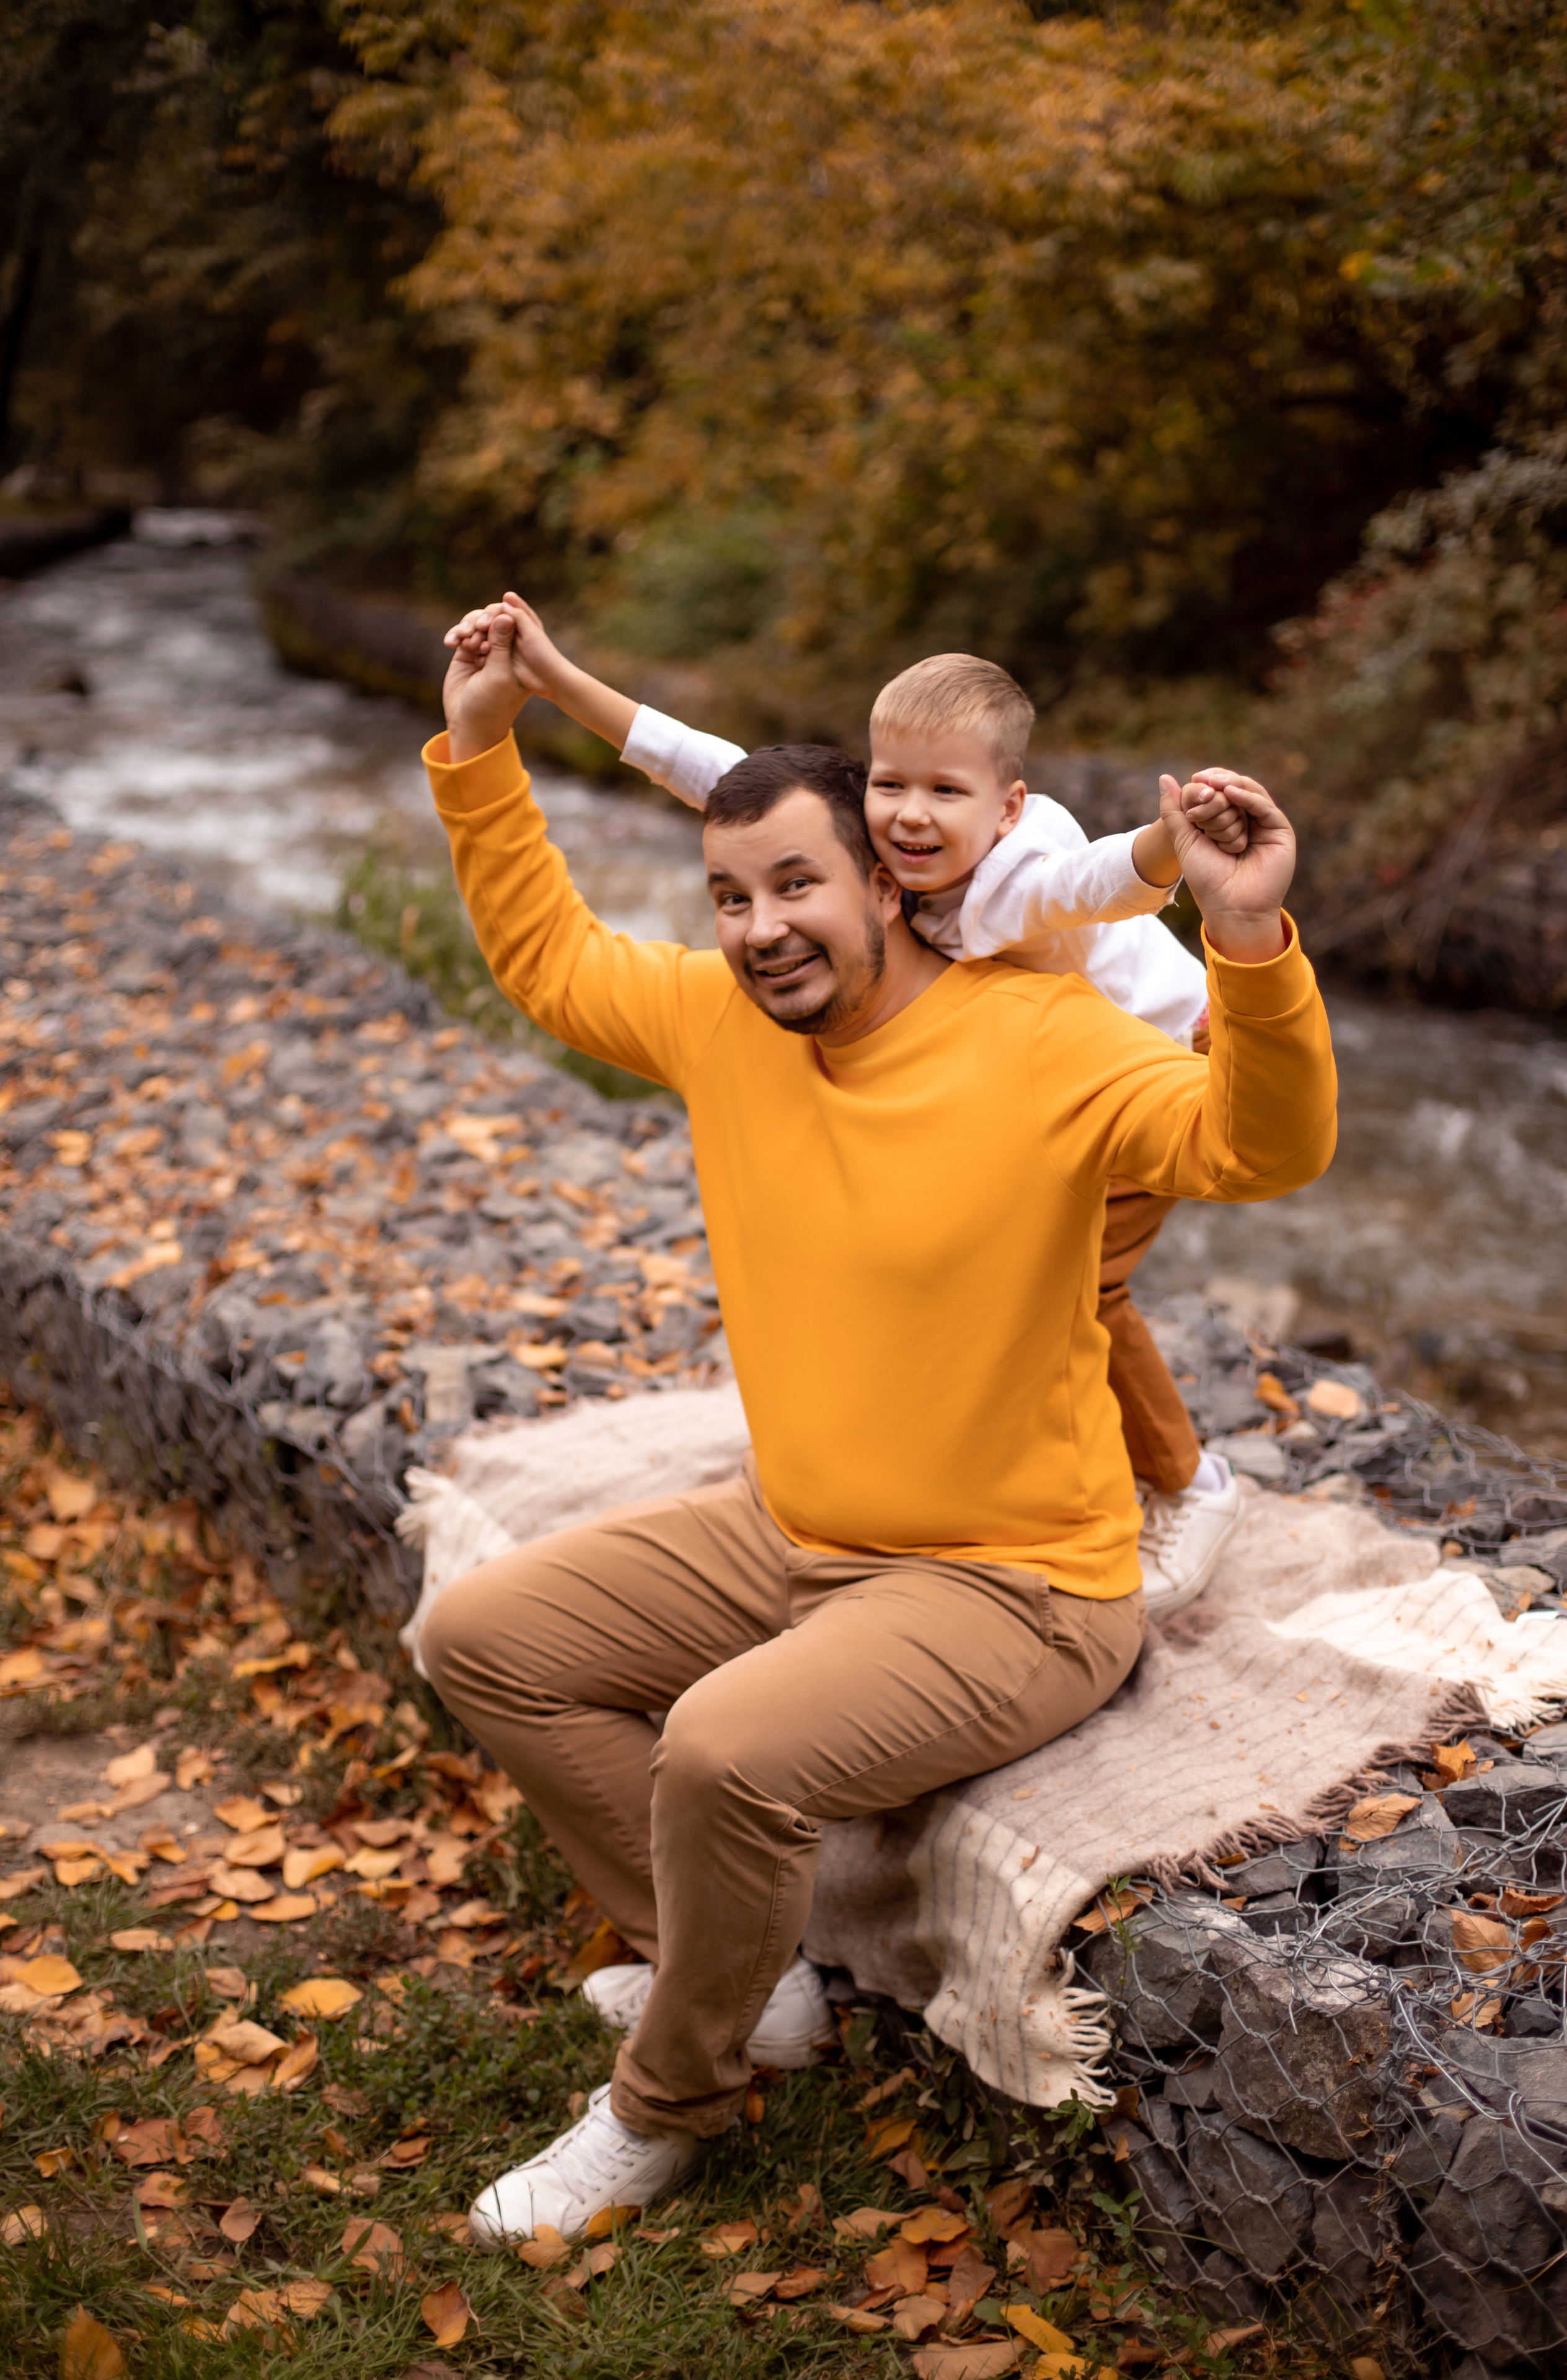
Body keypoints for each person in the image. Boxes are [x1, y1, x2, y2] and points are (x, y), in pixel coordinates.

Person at [418, 607, 1336, 2246]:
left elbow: (1253, 1150)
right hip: (795, 1531)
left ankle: (666, 2102)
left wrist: (1253, 944)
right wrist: (484, 745)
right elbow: (550, 958)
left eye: (795, 886)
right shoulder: (726, 1026)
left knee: (723, 1750)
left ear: (887, 880)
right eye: (728, 896)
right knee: (486, 1639)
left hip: (1016, 1587)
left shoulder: (1044, 1042)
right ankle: (745, 1971)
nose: (760, 927)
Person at [444, 594, 1251, 1613]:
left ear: (1005, 804)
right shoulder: (902, 849)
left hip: (1151, 1065)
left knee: (1076, 1290)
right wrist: (555, 683)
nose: (911, 813)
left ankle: (1189, 1485)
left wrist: (1177, 843)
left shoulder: (1006, 883)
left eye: (942, 791)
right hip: (1068, 1071)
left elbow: (1103, 879)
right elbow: (707, 768)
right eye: (890, 784)